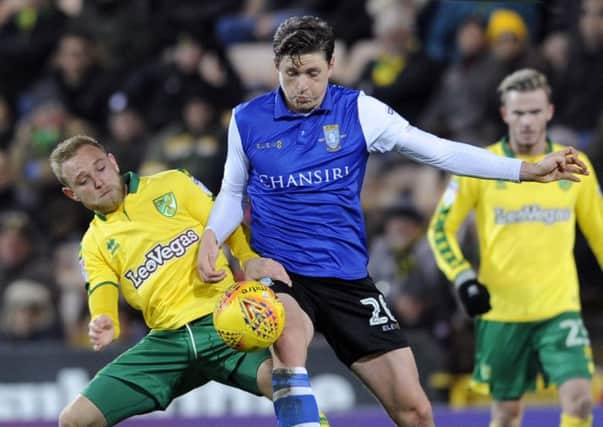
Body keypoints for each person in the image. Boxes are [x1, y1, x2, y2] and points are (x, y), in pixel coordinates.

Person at [196, 16, 588, 427]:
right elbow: (231, 192)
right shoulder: (247, 120)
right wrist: (212, 234)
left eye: (312, 73)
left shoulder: (359, 111)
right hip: (282, 272)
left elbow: (440, 151)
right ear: (277, 67)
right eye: (291, 73)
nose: (302, 86)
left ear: (331, 66)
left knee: (415, 411)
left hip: (347, 278)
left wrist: (524, 170)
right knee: (288, 348)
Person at [48, 135, 292, 427]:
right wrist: (104, 318)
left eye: (100, 168)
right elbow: (101, 286)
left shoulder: (172, 184)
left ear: (112, 162)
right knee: (73, 419)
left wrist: (246, 257)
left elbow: (223, 220)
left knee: (286, 387)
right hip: (166, 344)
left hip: (225, 323)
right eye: (83, 180)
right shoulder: (92, 244)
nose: (98, 182)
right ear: (72, 194)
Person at [427, 69, 603, 427]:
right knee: (507, 415)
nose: (526, 121)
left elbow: (600, 233)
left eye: (534, 112)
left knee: (582, 401)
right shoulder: (480, 166)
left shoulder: (574, 166)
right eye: (519, 112)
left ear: (550, 112)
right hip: (501, 313)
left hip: (559, 309)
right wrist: (464, 279)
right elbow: (439, 230)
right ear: (505, 114)